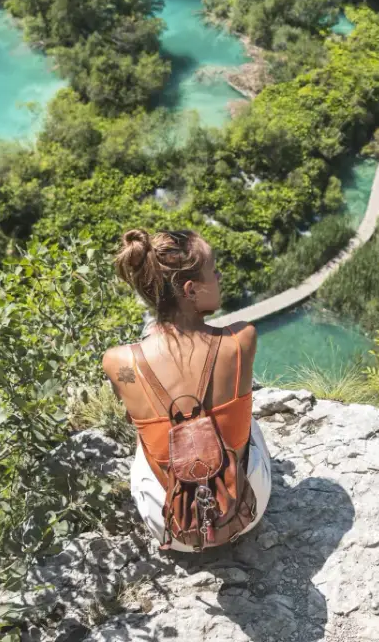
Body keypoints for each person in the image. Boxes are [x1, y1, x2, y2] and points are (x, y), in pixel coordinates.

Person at [103, 229, 272, 551]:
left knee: (150, 429)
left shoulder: (118, 362)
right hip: (246, 509)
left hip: (170, 525)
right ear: (191, 289)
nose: (220, 276)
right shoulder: (241, 340)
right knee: (246, 418)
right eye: (214, 270)